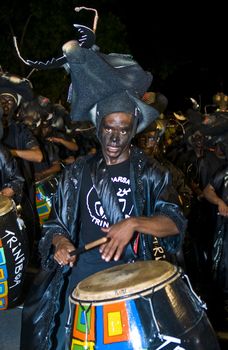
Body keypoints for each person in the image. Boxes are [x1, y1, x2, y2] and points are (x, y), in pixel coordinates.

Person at [20, 89, 187, 350]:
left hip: (134, 275)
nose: (115, 137)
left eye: (124, 130)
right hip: (83, 275)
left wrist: (133, 223)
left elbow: (174, 220)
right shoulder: (78, 171)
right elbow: (55, 224)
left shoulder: (150, 173)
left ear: (132, 131)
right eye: (109, 128)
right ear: (99, 126)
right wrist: (61, 242)